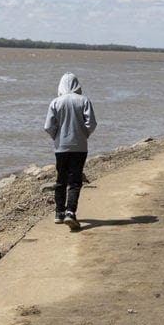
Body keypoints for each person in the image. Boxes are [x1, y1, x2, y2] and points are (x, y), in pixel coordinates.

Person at [44, 72, 97, 230]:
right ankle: (70, 211)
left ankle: (59, 213)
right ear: (76, 84)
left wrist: (56, 136)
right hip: (79, 146)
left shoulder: (55, 102)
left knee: (61, 179)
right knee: (74, 181)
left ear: (61, 85)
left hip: (61, 147)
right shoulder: (84, 100)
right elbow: (92, 123)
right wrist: (84, 134)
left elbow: (48, 126)